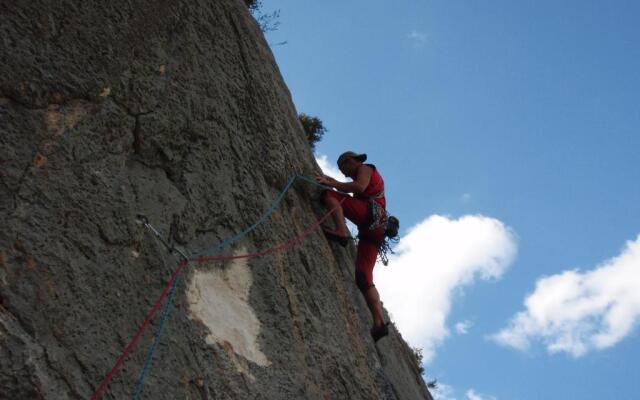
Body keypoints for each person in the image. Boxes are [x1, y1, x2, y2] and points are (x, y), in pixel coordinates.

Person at [316, 151, 390, 342]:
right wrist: (335, 181)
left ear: (352, 161)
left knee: (328, 194)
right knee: (363, 277)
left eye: (344, 168)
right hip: (374, 230)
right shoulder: (361, 177)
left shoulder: (365, 168)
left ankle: (341, 231)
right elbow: (353, 193)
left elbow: (358, 186)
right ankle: (379, 322)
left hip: (369, 219)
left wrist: (332, 184)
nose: (345, 173)